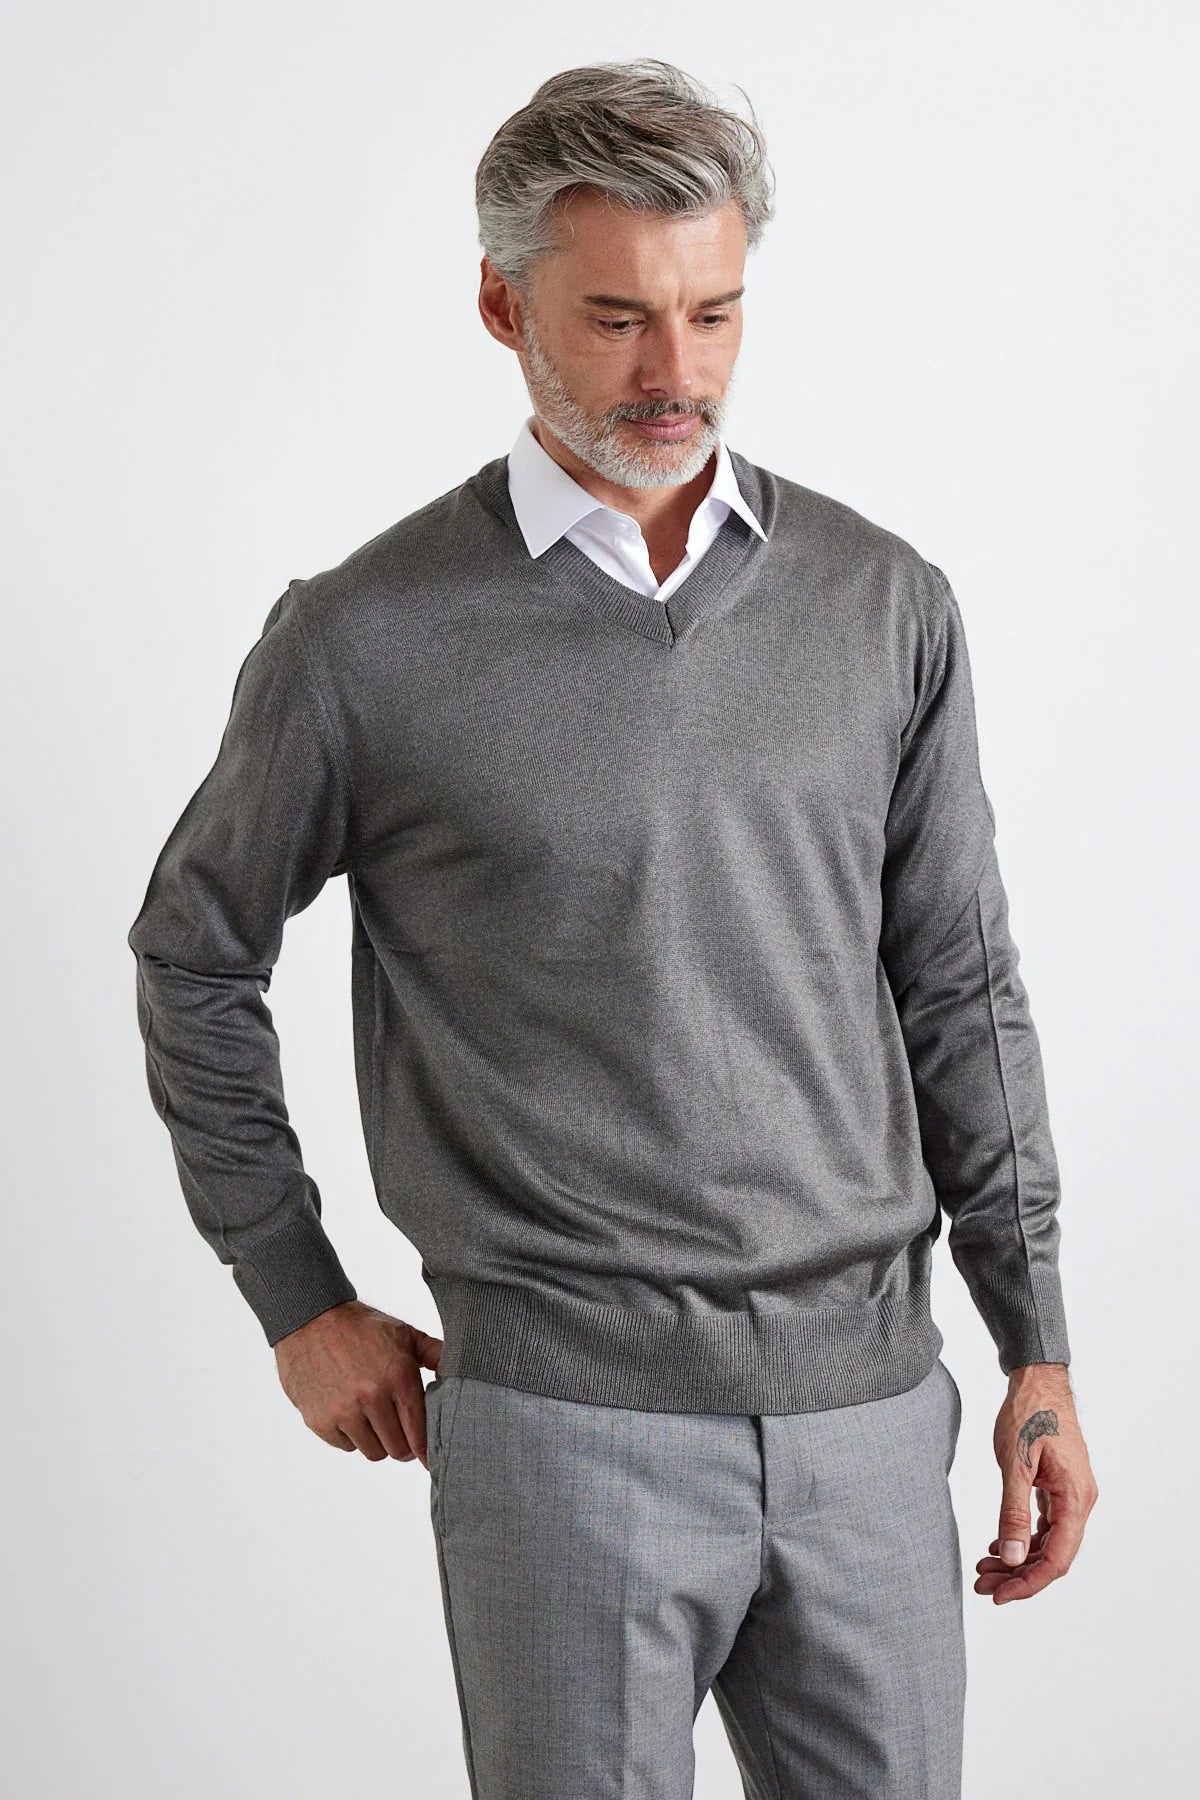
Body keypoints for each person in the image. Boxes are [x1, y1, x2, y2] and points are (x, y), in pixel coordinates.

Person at [127, 56, 1098, 1800]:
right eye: (620, 318)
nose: (677, 372)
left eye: (714, 314)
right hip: (560, 1431)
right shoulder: (362, 638)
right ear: (503, 308)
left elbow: (961, 988)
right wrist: (297, 1296)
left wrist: (1038, 1343)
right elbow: (195, 954)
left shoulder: (883, 602)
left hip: (872, 1420)